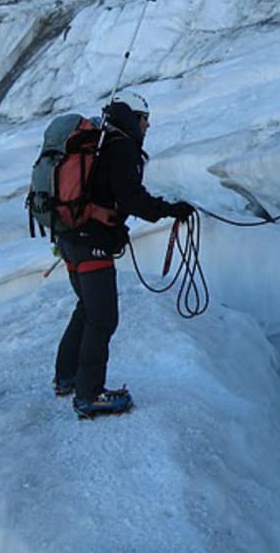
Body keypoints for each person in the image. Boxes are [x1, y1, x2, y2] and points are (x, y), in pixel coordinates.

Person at [53, 90, 194, 418]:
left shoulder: (102, 142)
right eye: (145, 120)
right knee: (103, 317)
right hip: (92, 242)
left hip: (71, 238)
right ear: (134, 117)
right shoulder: (121, 147)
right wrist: (169, 209)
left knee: (87, 309)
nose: (147, 126)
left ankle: (66, 376)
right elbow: (132, 198)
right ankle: (89, 394)